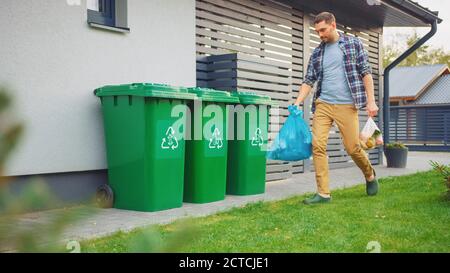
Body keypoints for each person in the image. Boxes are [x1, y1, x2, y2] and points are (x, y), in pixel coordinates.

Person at [294, 12, 379, 205]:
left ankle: (369, 174)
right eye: (317, 31)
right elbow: (309, 80)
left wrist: (371, 101)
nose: (320, 34)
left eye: (322, 30)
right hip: (323, 104)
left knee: (353, 147)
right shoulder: (317, 52)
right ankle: (323, 193)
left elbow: (366, 73)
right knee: (317, 145)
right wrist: (298, 101)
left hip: (347, 105)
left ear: (333, 25)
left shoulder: (353, 44)